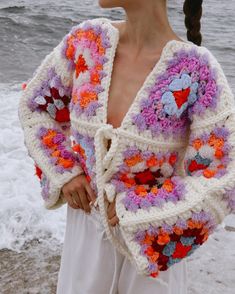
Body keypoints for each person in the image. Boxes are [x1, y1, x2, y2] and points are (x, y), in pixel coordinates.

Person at [18, 0, 235, 293]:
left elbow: (222, 178)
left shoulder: (198, 71)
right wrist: (64, 171)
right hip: (85, 236)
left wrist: (140, 210)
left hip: (153, 245)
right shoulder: (87, 42)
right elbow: (36, 108)